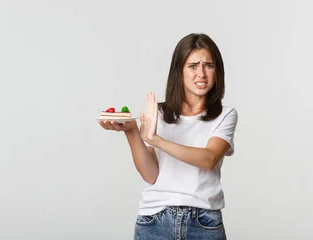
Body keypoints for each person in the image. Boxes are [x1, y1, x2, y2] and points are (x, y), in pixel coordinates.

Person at [98, 33, 238, 240]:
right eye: (193, 66)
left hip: (203, 222)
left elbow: (208, 159)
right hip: (154, 221)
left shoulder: (225, 115)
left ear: (217, 71)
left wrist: (157, 140)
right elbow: (151, 175)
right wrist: (132, 132)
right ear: (179, 71)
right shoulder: (160, 113)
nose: (201, 73)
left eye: (208, 65)